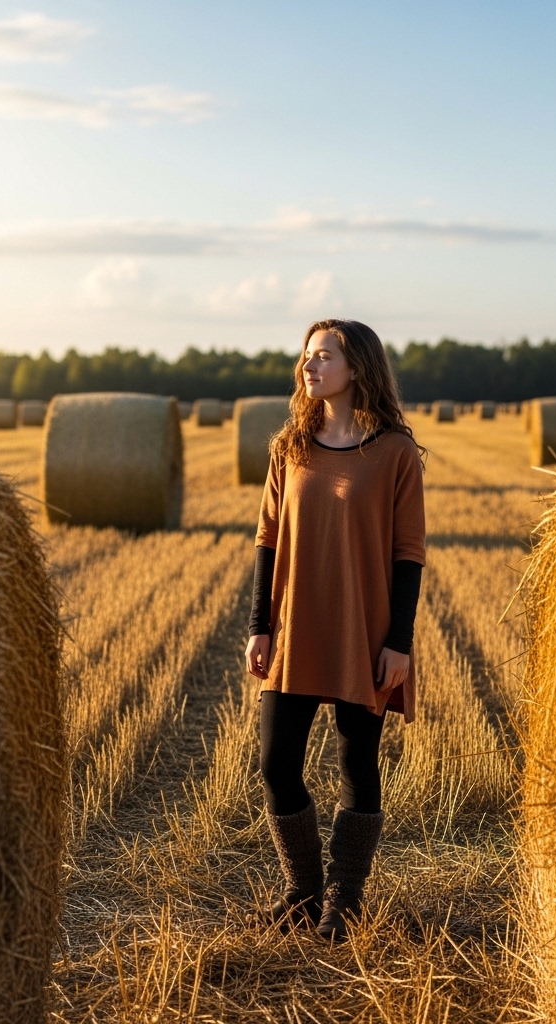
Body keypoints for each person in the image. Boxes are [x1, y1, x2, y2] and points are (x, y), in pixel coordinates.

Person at [245, 319, 426, 942]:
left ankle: (344, 900)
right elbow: (267, 539)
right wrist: (259, 626)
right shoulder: (290, 446)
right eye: (306, 355)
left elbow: (409, 554)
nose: (308, 366)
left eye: (322, 356)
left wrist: (398, 640)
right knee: (275, 764)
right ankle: (301, 890)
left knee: (357, 762)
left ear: (357, 368)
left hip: (364, 628)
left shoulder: (396, 453)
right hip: (294, 625)